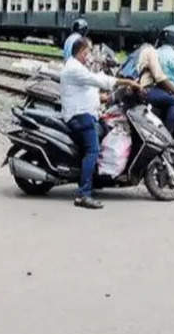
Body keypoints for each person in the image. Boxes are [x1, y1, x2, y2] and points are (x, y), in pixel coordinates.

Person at [60, 37, 141, 209]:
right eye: (88, 52)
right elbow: (98, 80)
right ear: (82, 51)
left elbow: (87, 91)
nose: (90, 55)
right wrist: (126, 81)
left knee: (105, 129)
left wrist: (107, 98)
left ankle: (94, 178)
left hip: (86, 114)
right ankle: (84, 194)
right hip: (80, 117)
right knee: (93, 150)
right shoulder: (74, 69)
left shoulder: (77, 67)